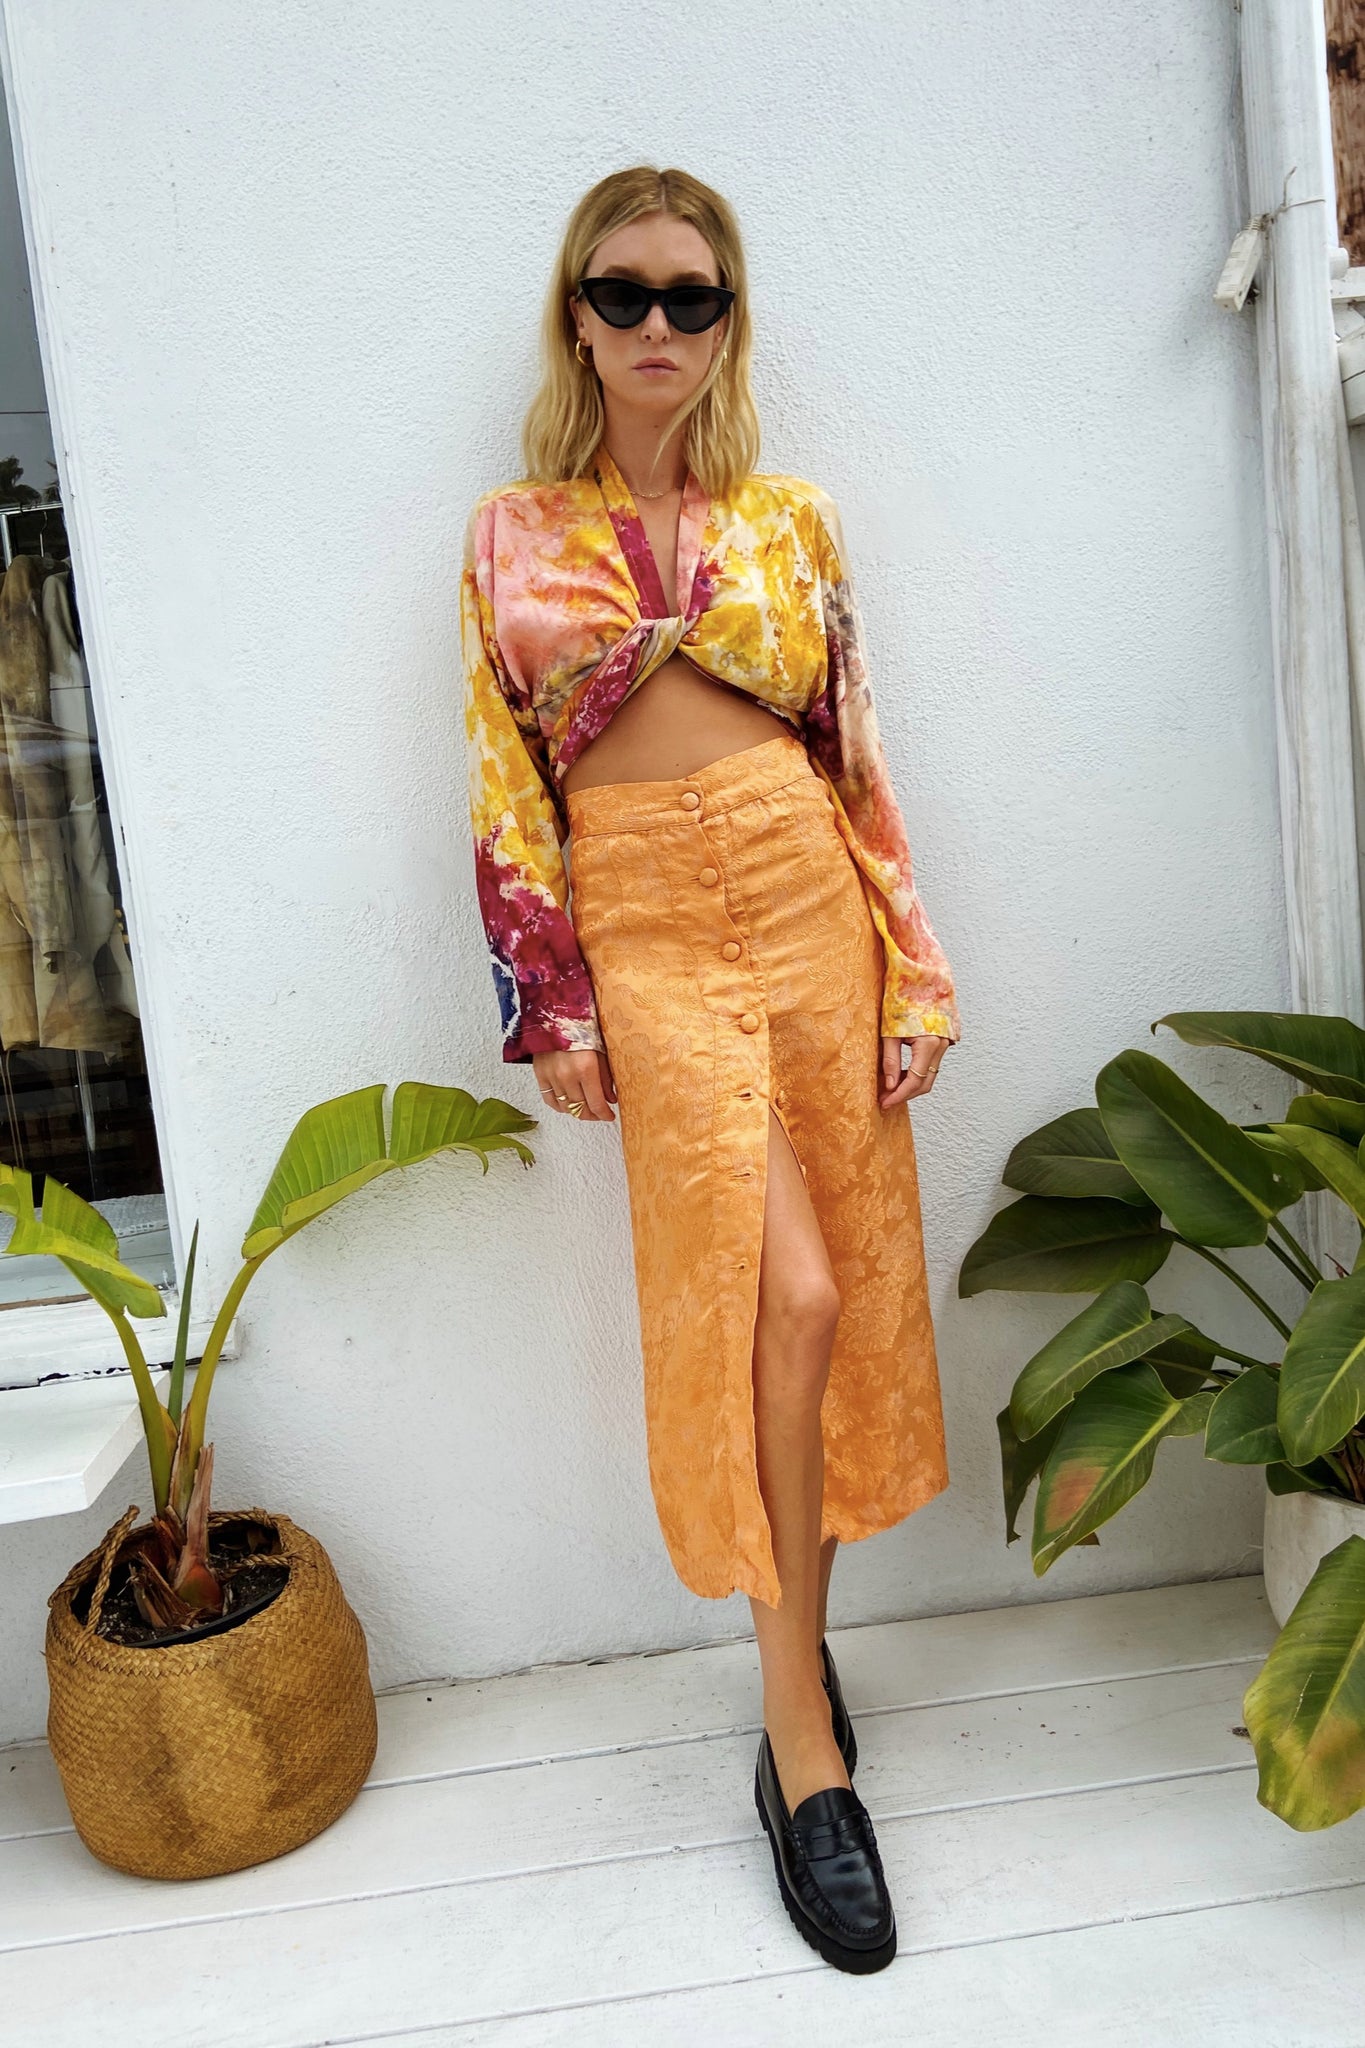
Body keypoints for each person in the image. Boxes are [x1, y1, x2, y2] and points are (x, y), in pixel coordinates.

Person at [460, 164, 961, 1976]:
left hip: (800, 886)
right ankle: (797, 1731)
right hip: (645, 922)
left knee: (825, 1310)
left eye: (694, 296)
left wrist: (913, 963)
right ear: (576, 315)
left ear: (729, 321)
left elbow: (853, 749)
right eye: (625, 292)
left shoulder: (790, 521)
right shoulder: (511, 533)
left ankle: (792, 1669)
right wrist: (552, 997)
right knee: (780, 1292)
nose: (658, 324)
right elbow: (503, 774)